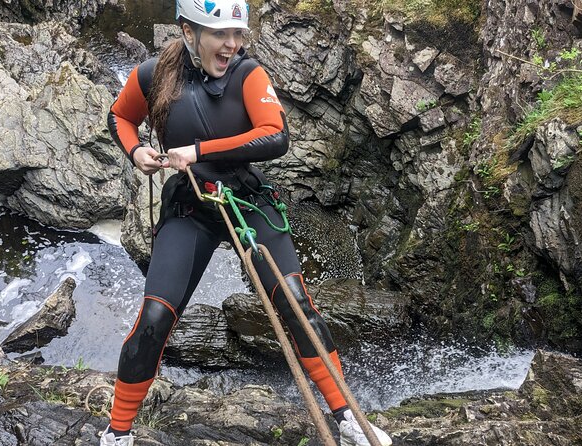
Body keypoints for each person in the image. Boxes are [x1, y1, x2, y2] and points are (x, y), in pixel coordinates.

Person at [102, 1, 392, 445]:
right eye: (221, 33)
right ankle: (117, 432)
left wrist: (197, 152)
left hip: (247, 201)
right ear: (188, 31)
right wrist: (136, 151)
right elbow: (120, 117)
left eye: (239, 32)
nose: (233, 44)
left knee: (295, 302)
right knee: (155, 317)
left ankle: (348, 416)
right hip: (191, 209)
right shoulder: (152, 75)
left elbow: (275, 135)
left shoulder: (247, 74)